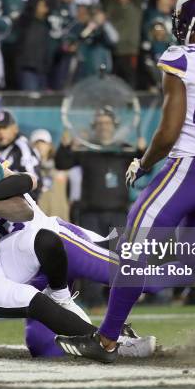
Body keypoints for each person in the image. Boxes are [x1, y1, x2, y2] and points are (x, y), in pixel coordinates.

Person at [56, 0, 195, 363]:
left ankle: (105, 341)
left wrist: (144, 161)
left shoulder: (181, 58)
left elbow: (168, 133)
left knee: (132, 249)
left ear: (190, 20)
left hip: (187, 169)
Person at [0, 140, 155, 357]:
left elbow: (27, 190)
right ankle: (100, 335)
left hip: (55, 246)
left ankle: (108, 333)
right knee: (45, 348)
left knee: (132, 275)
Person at [55, 106, 141, 309]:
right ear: (94, 126)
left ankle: (122, 301)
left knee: (122, 258)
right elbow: (62, 163)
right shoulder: (87, 149)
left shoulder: (124, 150)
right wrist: (65, 146)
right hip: (90, 214)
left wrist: (142, 152)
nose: (104, 127)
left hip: (119, 212)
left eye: (107, 123)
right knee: (91, 258)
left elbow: (145, 168)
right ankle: (94, 301)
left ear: (114, 126)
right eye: (100, 123)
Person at [0, 110, 41, 200]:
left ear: (15, 128)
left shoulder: (22, 147)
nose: (1, 132)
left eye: (5, 127)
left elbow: (33, 181)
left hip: (22, 206)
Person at [30, 129, 69, 220]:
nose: (39, 146)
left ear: (50, 146)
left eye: (43, 142)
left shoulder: (61, 167)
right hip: (38, 219)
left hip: (60, 219)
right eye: (36, 143)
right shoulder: (28, 170)